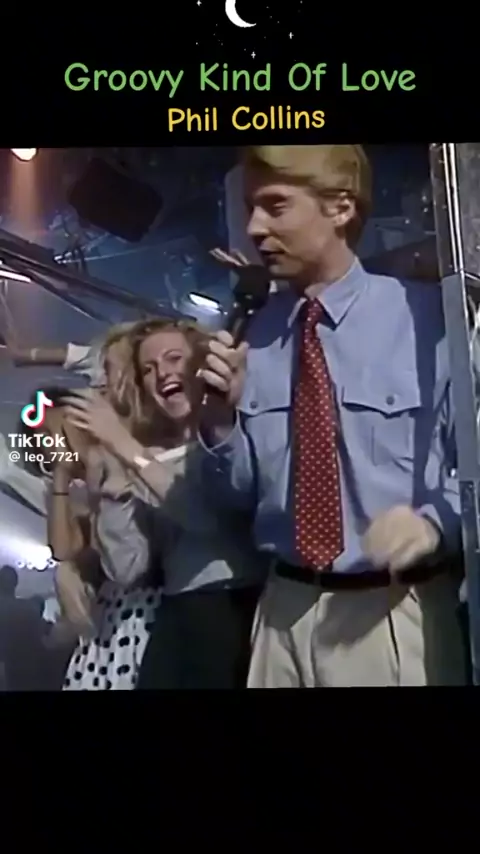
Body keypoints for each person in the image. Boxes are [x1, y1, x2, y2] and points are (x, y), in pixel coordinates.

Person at [198, 144, 466, 688]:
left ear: (340, 207)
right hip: (280, 616)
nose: (254, 228)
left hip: (391, 613)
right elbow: (237, 498)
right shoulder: (252, 334)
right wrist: (220, 424)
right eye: (250, 208)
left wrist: (436, 522)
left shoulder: (430, 322)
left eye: (275, 205)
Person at [63, 316, 266, 689]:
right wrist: (112, 488)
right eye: (149, 368)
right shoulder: (148, 456)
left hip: (235, 607)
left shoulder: (235, 435)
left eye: (174, 359)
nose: (162, 374)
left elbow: (206, 519)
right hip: (176, 613)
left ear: (201, 364)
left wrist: (126, 447)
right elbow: (128, 568)